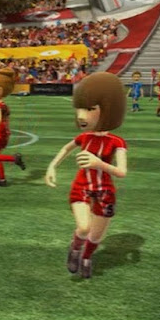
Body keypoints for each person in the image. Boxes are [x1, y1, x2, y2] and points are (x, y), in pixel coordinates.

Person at [45, 72, 128, 279]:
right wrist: (52, 166)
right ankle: (75, 248)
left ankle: (86, 258)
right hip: (82, 187)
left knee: (96, 235)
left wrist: (99, 164)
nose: (81, 115)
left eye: (90, 109)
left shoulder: (117, 142)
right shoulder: (84, 137)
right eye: (80, 109)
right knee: (84, 227)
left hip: (105, 192)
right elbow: (66, 149)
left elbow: (122, 172)